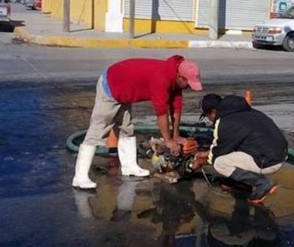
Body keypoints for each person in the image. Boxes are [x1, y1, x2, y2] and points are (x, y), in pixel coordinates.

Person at [72, 55, 203, 189]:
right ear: (180, 77)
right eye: (188, 83)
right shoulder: (162, 79)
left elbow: (176, 107)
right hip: (111, 85)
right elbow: (161, 113)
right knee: (99, 129)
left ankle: (129, 167)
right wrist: (168, 140)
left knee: (126, 128)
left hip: (124, 89)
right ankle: (80, 177)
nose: (188, 87)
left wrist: (175, 135)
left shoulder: (175, 79)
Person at [191, 94, 288, 204]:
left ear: (213, 112)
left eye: (208, 116)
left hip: (268, 161)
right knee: (232, 149)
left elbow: (217, 154)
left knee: (220, 163)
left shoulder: (223, 122)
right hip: (280, 154)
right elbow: (225, 144)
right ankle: (243, 183)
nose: (209, 120)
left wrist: (200, 162)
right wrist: (207, 153)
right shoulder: (247, 112)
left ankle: (263, 183)